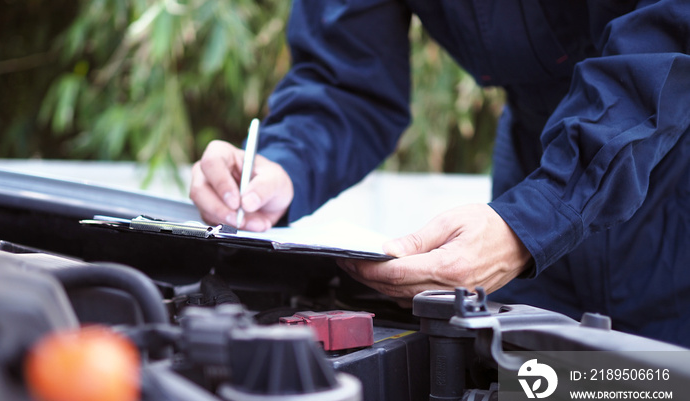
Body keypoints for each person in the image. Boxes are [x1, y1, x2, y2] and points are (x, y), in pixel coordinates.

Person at [190, 0, 690, 346]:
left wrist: (533, 221)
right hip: (536, 186)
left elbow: (668, 43)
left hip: (670, 201)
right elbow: (345, 78)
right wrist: (285, 163)